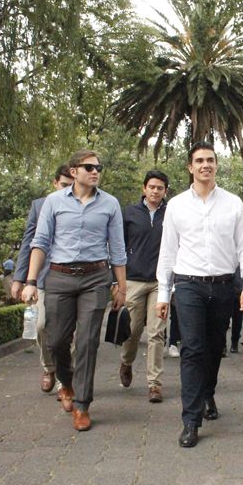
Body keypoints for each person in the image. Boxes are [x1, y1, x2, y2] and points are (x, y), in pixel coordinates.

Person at [155, 141, 243, 448]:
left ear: (216, 165)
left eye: (210, 160)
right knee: (192, 349)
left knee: (214, 348)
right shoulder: (176, 205)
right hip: (188, 285)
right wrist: (163, 294)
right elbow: (168, 251)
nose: (205, 165)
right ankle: (191, 419)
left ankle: (207, 392)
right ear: (191, 167)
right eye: (199, 160)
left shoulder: (233, 203)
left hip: (224, 286)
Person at [21, 150, 127, 432]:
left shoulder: (110, 203)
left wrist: (121, 287)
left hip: (96, 278)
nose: (95, 172)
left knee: (87, 342)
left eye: (98, 168)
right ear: (74, 171)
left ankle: (82, 405)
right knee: (56, 340)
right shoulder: (54, 202)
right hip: (59, 277)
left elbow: (118, 249)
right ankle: (66, 382)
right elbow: (40, 242)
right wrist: (30, 281)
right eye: (89, 167)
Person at [11, 165, 74, 393]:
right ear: (55, 183)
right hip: (42, 276)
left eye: (71, 185)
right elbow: (28, 244)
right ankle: (49, 368)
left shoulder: (81, 205)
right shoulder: (39, 206)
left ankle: (66, 379)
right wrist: (20, 279)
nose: (67, 189)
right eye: (64, 185)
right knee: (41, 326)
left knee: (70, 332)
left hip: (70, 277)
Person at [119, 170, 169, 403]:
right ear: (144, 188)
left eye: (160, 188)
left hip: (160, 282)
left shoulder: (170, 214)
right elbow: (118, 246)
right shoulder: (129, 213)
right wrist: (117, 281)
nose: (155, 191)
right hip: (133, 279)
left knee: (156, 333)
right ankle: (126, 362)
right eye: (152, 187)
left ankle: (154, 384)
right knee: (133, 330)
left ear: (165, 191)